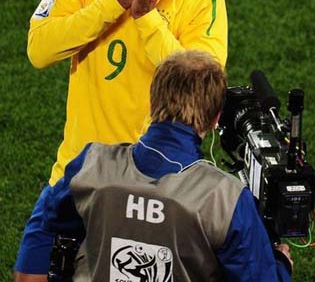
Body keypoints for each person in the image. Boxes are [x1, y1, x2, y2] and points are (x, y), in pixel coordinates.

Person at [14, 0, 228, 281]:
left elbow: (203, 86)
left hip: (154, 192)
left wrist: (146, 16)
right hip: (76, 177)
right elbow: (39, 49)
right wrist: (113, 2)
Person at [42, 50, 293, 281]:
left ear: (151, 103)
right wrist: (281, 263)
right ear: (215, 119)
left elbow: (52, 223)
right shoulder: (227, 199)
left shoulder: (90, 164)